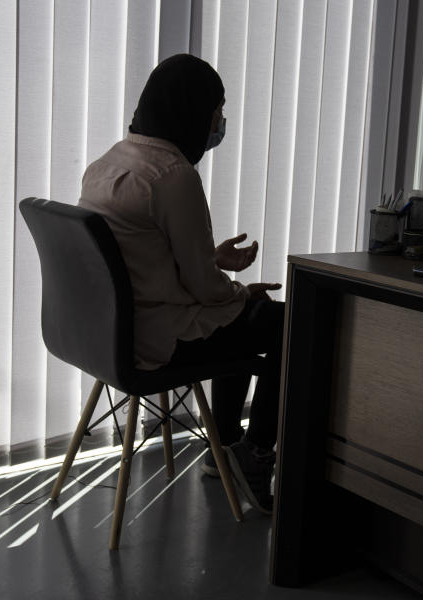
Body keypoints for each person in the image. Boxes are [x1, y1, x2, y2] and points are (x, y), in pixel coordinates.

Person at [78, 54, 283, 514]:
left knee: (244, 317)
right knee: (286, 324)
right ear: (191, 108)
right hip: (159, 342)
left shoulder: (106, 163)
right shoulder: (173, 176)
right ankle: (253, 455)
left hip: (114, 334)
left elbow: (138, 262)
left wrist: (212, 262)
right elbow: (208, 291)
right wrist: (237, 288)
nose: (219, 122)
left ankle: (222, 447)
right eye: (217, 110)